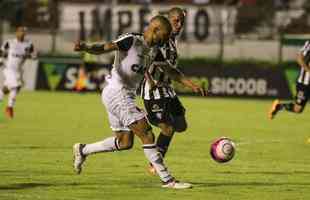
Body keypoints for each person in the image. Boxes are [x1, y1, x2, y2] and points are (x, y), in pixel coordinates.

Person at [73, 15, 192, 189]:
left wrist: (191, 85)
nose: (165, 40)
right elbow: (106, 47)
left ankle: (83, 150)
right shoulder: (131, 40)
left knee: (124, 142)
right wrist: (86, 47)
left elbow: (169, 70)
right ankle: (168, 180)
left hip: (122, 95)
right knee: (146, 133)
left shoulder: (154, 50)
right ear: (155, 30)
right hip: (117, 92)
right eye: (164, 36)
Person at [140, 7, 207, 175]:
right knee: (168, 128)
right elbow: (141, 58)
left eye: (182, 22)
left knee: (181, 125)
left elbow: (171, 70)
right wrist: (149, 79)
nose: (179, 24)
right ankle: (154, 161)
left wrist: (192, 85)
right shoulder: (158, 39)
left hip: (167, 89)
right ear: (168, 20)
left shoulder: (172, 40)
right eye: (176, 20)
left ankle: (155, 123)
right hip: (153, 90)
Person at [0, 26, 36, 118]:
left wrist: (30, 55)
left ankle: (6, 103)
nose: (22, 33)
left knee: (6, 89)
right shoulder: (9, 42)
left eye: (23, 32)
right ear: (16, 33)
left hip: (18, 71)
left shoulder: (29, 44)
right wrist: (0, 60)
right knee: (16, 86)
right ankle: (9, 107)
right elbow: (2, 51)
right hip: (8, 68)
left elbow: (34, 56)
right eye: (20, 32)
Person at [269, 40, 310, 119]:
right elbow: (299, 59)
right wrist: (308, 70)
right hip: (304, 83)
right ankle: (278, 106)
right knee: (297, 109)